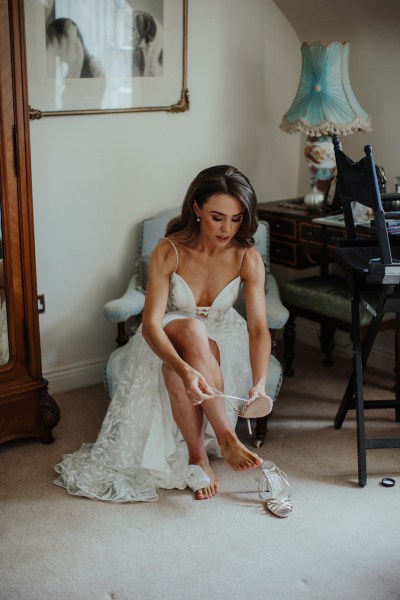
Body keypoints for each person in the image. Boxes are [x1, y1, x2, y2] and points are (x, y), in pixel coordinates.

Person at [54, 165, 273, 502]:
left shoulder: (247, 257)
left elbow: (258, 328)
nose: (227, 228)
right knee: (189, 331)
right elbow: (151, 322)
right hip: (169, 330)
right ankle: (227, 436)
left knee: (179, 363)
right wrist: (187, 369)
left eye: (236, 218)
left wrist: (258, 383)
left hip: (224, 337)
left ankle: (199, 458)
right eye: (217, 217)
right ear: (197, 209)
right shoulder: (168, 250)